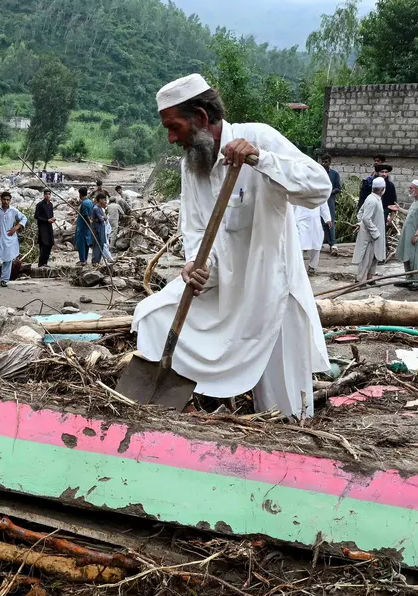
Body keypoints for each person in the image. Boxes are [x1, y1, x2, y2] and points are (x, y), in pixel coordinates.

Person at [131, 74, 331, 421]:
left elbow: (318, 187)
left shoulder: (259, 137)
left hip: (271, 292)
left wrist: (261, 160)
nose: (171, 137)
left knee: (285, 411)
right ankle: (184, 407)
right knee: (151, 315)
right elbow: (194, 226)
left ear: (201, 117)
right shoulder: (192, 164)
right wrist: (195, 264)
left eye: (174, 126)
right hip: (221, 290)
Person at [0, 191, 27, 287]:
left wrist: (16, 228)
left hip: (9, 238)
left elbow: (24, 218)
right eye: (4, 199)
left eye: (8, 200)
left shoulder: (14, 211)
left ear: (10, 200)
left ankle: (4, 280)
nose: (6, 201)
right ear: (0, 199)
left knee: (7, 260)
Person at [395, 180, 418, 290]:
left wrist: (416, 235)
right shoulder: (416, 201)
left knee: (416, 259)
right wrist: (399, 209)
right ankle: (410, 279)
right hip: (408, 235)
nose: (409, 190)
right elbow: (411, 213)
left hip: (416, 236)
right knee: (407, 257)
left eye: (411, 188)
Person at [354, 177, 387, 282]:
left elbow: (361, 213)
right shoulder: (373, 200)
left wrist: (360, 223)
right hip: (370, 236)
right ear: (382, 188)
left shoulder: (374, 198)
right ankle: (360, 280)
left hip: (373, 235)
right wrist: (375, 232)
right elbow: (366, 218)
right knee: (366, 258)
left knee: (373, 257)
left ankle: (369, 278)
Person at [294, 201, 332, 275]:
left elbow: (323, 203)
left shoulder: (319, 189)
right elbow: (292, 202)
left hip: (315, 220)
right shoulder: (300, 189)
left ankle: (312, 266)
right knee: (299, 244)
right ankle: (298, 268)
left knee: (316, 243)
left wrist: (327, 218)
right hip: (300, 219)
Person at [320, 153, 341, 255]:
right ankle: (319, 243)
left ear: (330, 162)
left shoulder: (334, 174)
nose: (324, 164)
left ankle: (333, 243)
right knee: (319, 221)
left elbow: (338, 188)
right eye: (323, 162)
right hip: (319, 200)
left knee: (330, 221)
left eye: (326, 162)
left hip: (330, 200)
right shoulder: (318, 173)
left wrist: (330, 192)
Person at [72, 186, 95, 265]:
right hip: (87, 227)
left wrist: (89, 222)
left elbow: (85, 215)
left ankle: (82, 260)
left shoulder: (84, 203)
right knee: (86, 243)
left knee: (81, 243)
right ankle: (84, 259)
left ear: (80, 194)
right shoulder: (90, 202)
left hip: (82, 226)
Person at [35, 189, 55, 267]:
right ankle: (41, 263)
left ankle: (45, 262)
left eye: (49, 194)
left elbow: (51, 215)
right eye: (46, 194)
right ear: (44, 195)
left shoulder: (51, 204)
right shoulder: (39, 204)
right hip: (42, 226)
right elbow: (36, 216)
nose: (48, 195)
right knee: (43, 244)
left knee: (50, 243)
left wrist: (52, 219)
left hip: (49, 226)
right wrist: (46, 220)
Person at [92, 192, 111, 263]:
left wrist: (103, 218)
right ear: (100, 200)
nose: (105, 201)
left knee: (101, 245)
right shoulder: (96, 208)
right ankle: (95, 261)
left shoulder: (100, 208)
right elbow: (101, 219)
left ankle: (98, 260)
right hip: (97, 230)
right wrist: (104, 217)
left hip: (101, 229)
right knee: (97, 246)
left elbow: (103, 218)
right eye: (104, 200)